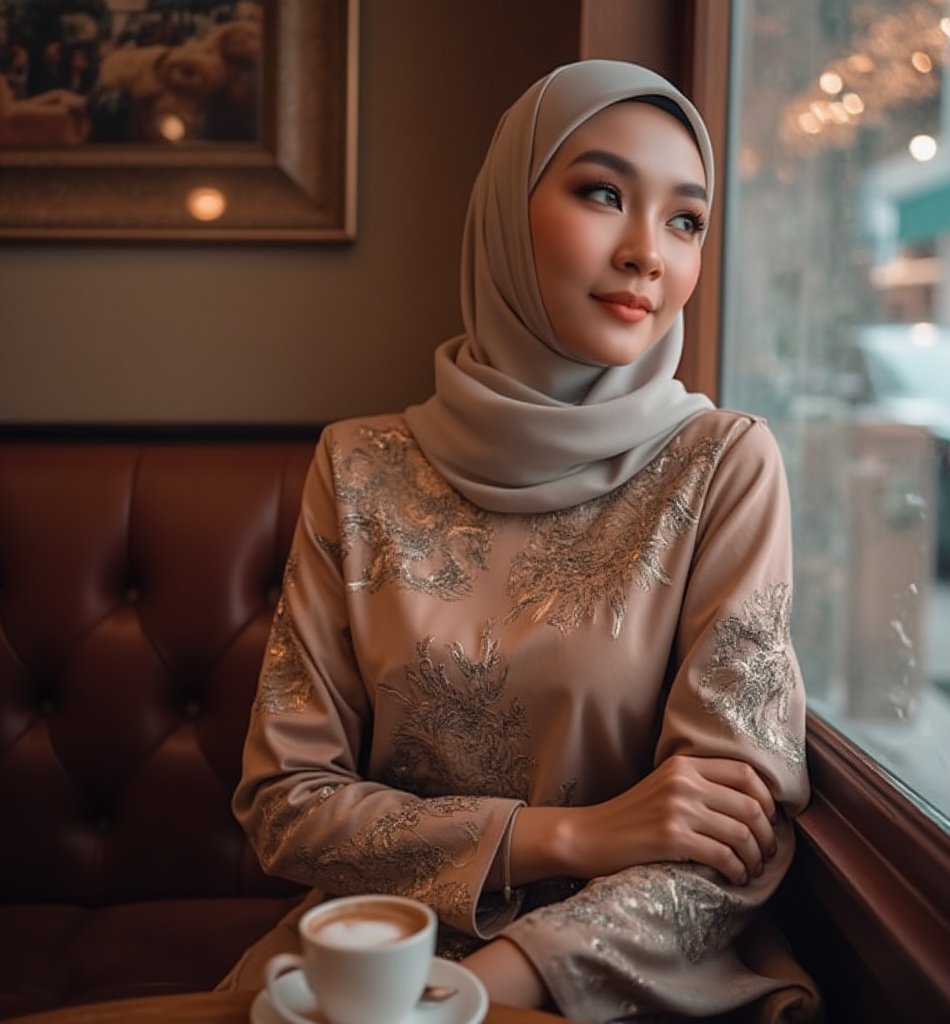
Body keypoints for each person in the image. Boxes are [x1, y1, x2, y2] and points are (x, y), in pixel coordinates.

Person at [225, 59, 819, 1023]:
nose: (647, 253)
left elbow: (725, 845)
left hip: (613, 973)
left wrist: (478, 993)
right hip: (373, 957)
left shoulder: (723, 465)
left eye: (685, 219)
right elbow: (287, 806)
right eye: (602, 193)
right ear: (507, 210)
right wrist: (573, 835)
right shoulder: (359, 468)